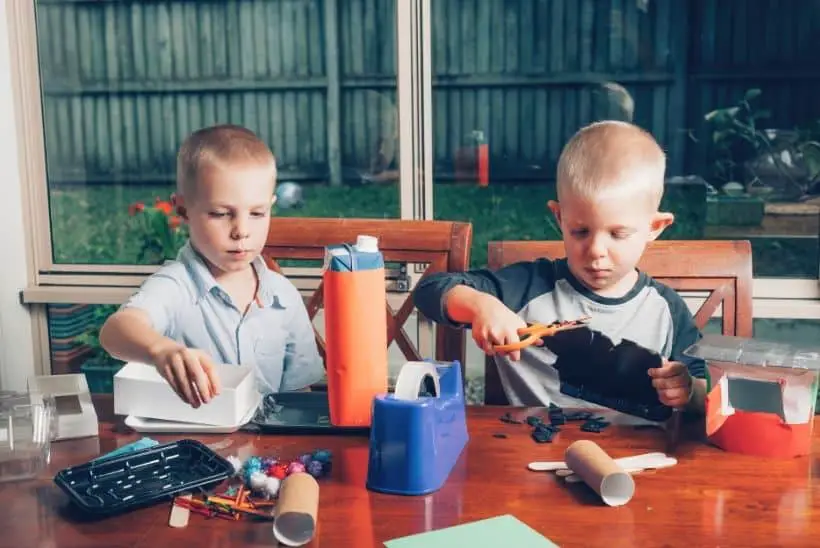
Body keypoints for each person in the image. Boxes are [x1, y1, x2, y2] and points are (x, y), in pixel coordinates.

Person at [413, 120, 707, 416]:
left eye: (618, 234)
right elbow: (429, 291)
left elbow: (706, 396)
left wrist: (689, 391)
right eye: (580, 231)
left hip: (640, 458)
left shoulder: (666, 310)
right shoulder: (529, 286)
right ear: (559, 218)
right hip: (533, 452)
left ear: (655, 227)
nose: (595, 251)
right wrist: (480, 305)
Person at [100, 124, 325, 407]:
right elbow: (115, 331)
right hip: (194, 441)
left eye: (257, 213)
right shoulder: (175, 286)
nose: (241, 230)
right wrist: (161, 350)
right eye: (220, 214)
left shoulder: (283, 296)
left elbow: (299, 397)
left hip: (267, 447)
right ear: (183, 210)